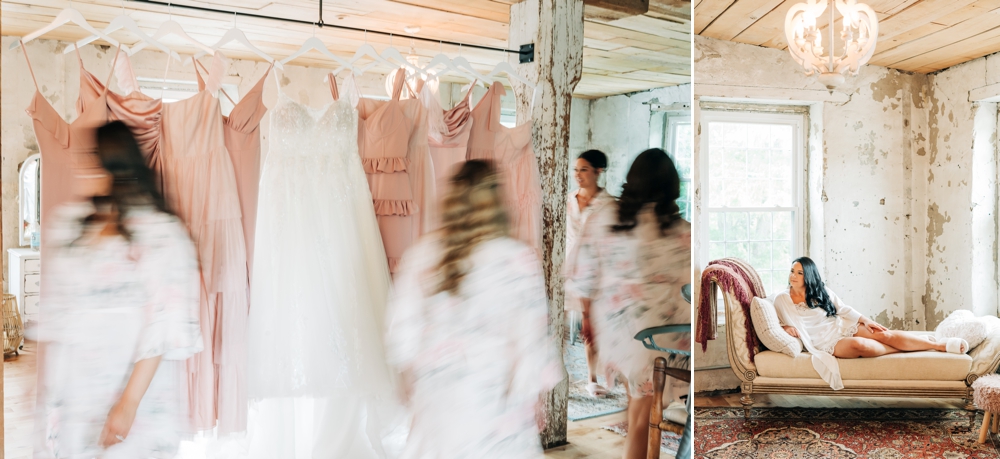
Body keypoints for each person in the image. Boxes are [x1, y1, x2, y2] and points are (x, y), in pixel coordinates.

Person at [34, 121, 202, 458]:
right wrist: (47, 398)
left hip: (133, 393)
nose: (82, 168)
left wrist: (128, 405)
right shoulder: (68, 224)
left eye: (92, 159)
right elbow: (54, 315)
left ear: (115, 165)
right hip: (74, 389)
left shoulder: (161, 234)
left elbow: (165, 323)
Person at [386, 160, 564, 459]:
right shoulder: (517, 259)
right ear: (496, 202)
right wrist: (536, 393)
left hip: (439, 397)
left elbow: (402, 333)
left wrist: (410, 381)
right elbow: (531, 340)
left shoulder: (422, 253)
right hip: (495, 401)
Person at [566, 148, 691, 459]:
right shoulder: (683, 233)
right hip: (660, 338)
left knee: (639, 406)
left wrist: (589, 316)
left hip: (617, 332)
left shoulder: (604, 219)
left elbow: (583, 277)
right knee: (642, 417)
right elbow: (690, 287)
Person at [774, 256, 967, 390]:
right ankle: (914, 346)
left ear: (808, 275)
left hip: (839, 325)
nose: (793, 276)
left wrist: (865, 320)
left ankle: (937, 345)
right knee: (862, 345)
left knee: (884, 334)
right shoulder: (782, 299)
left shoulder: (820, 291)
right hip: (823, 342)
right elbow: (777, 322)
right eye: (792, 271)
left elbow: (842, 309)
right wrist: (785, 327)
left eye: (799, 273)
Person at [566, 149, 616, 398]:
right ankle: (579, 378)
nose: (577, 174)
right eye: (575, 169)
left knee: (594, 327)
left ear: (598, 171)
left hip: (596, 273)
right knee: (568, 326)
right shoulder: (568, 199)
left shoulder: (610, 205)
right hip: (568, 270)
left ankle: (597, 377)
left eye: (583, 169)